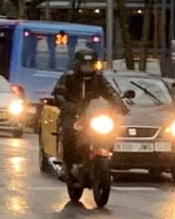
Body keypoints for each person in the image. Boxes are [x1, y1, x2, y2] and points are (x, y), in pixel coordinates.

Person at [52, 48, 127, 181]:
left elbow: (110, 92)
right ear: (77, 65)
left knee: (111, 129)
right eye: (84, 65)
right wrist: (66, 104)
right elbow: (58, 94)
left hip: (92, 115)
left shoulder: (99, 79)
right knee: (69, 132)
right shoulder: (68, 77)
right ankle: (67, 165)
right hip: (73, 114)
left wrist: (119, 104)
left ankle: (106, 159)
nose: (88, 68)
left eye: (90, 65)